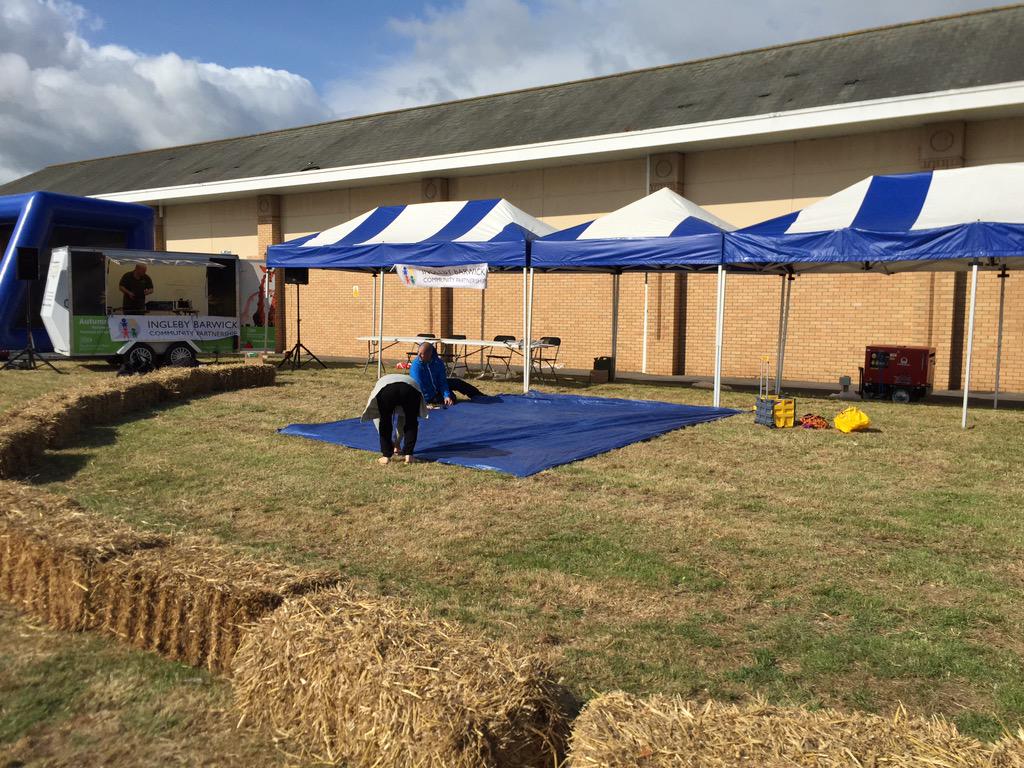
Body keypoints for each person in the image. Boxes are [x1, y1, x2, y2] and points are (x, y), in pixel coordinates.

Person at [360, 374, 428, 465]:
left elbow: (378, 419)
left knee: (385, 421)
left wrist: (391, 445)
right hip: (411, 387)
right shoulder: (388, 383)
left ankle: (386, 457)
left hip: (388, 389)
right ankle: (409, 455)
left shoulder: (380, 387)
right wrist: (396, 443)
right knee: (411, 421)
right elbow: (403, 420)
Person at [409, 342, 483, 406]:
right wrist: (425, 403)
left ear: (430, 354)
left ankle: (479, 396)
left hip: (437, 385)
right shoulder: (416, 367)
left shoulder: (438, 362)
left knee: (457, 382)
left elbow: (442, 381)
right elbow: (419, 388)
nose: (419, 355)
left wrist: (446, 395)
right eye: (418, 352)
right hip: (428, 393)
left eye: (422, 354)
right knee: (452, 398)